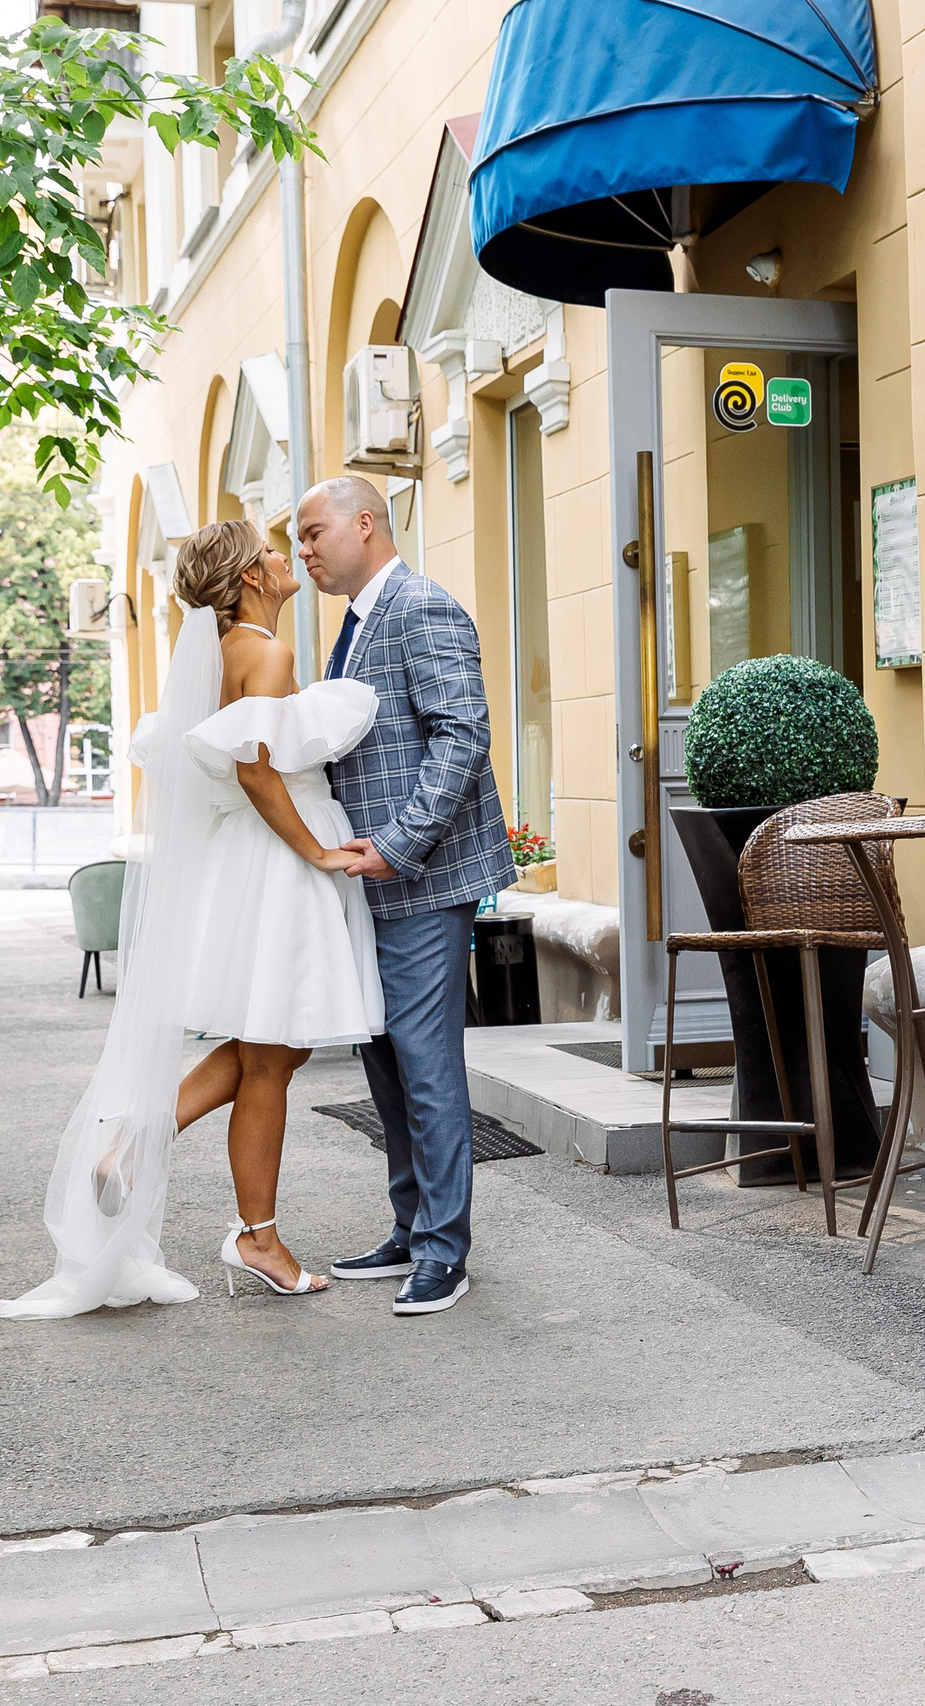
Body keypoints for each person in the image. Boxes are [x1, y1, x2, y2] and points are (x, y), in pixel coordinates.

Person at [0, 519, 384, 1319]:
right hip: (279, 862)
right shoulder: (265, 654)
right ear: (248, 578)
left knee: (265, 1045)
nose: (288, 560)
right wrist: (316, 852)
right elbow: (257, 773)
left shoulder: (219, 658)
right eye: (275, 553)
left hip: (247, 863)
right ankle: (257, 1237)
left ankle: (138, 1148)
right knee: (274, 1056)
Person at [295, 475, 513, 1318]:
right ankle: (411, 1224)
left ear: (365, 523)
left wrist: (394, 845)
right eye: (301, 539)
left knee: (424, 1065)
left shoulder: (421, 606)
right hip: (369, 882)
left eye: (314, 532)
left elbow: (463, 735)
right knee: (383, 1063)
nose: (306, 550)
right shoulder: (353, 625)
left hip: (423, 878)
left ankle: (444, 1253)